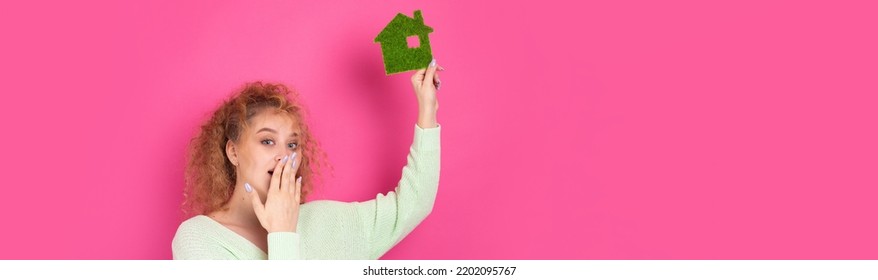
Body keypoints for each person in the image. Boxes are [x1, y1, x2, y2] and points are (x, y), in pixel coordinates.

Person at [172, 59, 443, 259]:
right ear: (233, 152)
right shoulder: (200, 239)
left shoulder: (327, 222)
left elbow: (412, 204)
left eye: (292, 144)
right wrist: (282, 234)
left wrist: (427, 108)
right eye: (267, 141)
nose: (283, 155)